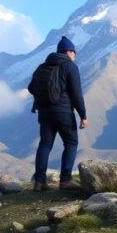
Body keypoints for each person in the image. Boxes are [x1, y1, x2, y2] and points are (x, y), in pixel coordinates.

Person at [28, 36, 88, 190]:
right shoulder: (70, 67)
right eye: (74, 52)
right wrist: (83, 116)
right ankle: (65, 180)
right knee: (71, 143)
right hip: (63, 112)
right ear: (69, 52)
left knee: (45, 144)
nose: (74, 56)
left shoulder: (42, 66)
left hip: (44, 112)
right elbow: (77, 94)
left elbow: (31, 88)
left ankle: (39, 182)